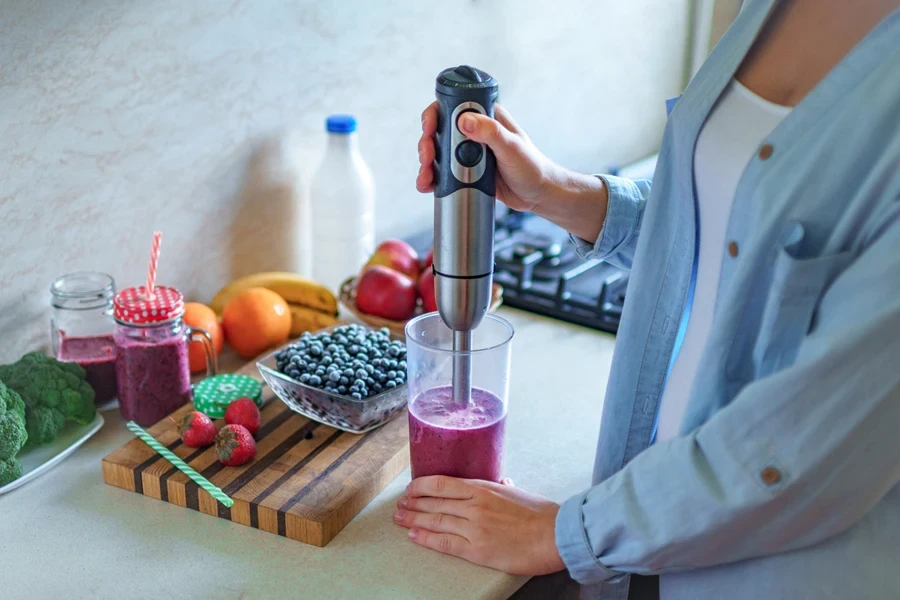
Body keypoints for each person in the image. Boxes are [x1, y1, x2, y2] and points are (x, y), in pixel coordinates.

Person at [392, 0, 900, 598]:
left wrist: (566, 534)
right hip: (648, 535)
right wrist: (553, 191)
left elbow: (803, 453)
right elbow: (730, 222)